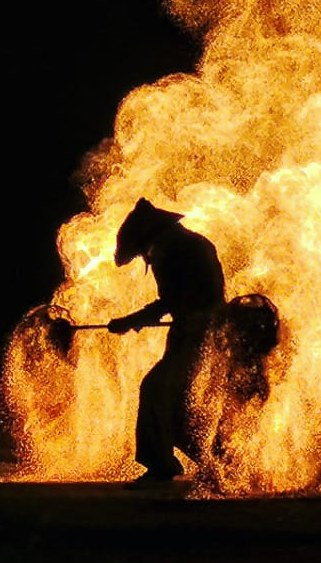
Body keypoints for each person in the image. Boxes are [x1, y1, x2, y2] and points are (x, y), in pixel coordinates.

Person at [107, 198, 226, 485]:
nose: (145, 258)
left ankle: (163, 465)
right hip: (191, 333)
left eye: (142, 252)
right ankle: (219, 462)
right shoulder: (182, 247)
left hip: (203, 335)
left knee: (157, 388)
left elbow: (174, 301)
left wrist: (131, 320)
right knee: (179, 403)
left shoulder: (183, 251)